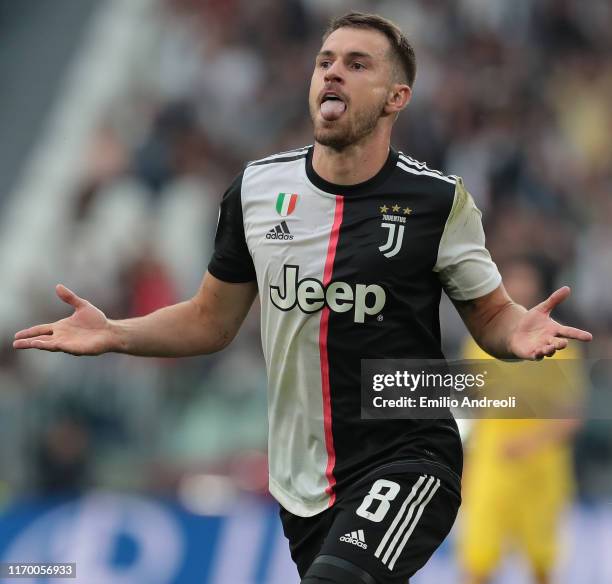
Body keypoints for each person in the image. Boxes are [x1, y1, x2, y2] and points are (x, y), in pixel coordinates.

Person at [13, 12, 592, 584]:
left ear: (397, 96)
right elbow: (209, 321)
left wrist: (515, 333)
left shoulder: (437, 201)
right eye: (325, 62)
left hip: (409, 452)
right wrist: (117, 332)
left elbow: (489, 313)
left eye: (356, 64)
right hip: (302, 478)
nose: (333, 74)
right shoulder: (257, 191)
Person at [458, 258, 585, 584]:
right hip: (491, 459)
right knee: (478, 557)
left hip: (542, 466)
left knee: (542, 561)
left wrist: (529, 444)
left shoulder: (562, 347)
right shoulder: (478, 346)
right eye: (511, 281)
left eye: (525, 281)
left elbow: (571, 416)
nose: (518, 288)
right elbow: (473, 409)